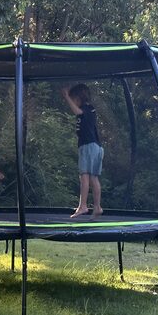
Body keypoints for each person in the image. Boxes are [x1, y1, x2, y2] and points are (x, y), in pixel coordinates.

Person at [61, 84, 104, 219]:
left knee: (84, 176)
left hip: (88, 146)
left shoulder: (87, 108)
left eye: (74, 99)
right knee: (93, 178)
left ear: (79, 98)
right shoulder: (89, 110)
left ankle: (83, 206)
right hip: (95, 147)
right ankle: (97, 207)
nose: (73, 102)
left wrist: (66, 96)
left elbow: (77, 112)